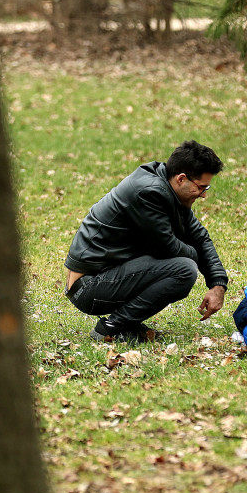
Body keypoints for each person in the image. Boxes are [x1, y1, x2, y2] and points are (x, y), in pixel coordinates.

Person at [64, 140, 228, 343]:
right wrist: (195, 256)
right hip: (87, 288)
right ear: (181, 178)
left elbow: (199, 237)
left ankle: (128, 324)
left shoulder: (169, 189)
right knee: (184, 269)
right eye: (201, 187)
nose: (203, 195)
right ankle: (113, 326)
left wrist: (218, 284)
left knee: (183, 263)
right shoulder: (149, 192)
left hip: (104, 276)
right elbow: (168, 248)